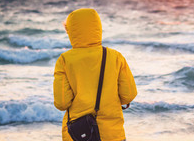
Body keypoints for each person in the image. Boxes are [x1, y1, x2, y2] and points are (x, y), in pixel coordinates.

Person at [53, 8, 137, 141]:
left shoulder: (64, 60)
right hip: (112, 134)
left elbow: (62, 103)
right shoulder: (115, 56)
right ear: (97, 28)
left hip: (79, 135)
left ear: (71, 32)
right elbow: (129, 95)